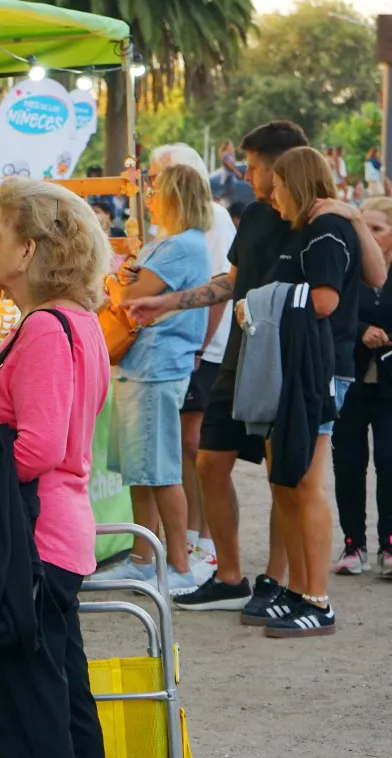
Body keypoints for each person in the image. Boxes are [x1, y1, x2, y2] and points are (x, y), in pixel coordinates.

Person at [128, 123, 388, 622]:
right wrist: (165, 302)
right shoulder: (253, 218)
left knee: (290, 478)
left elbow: (355, 286)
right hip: (250, 357)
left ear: (283, 167)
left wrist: (353, 215)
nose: (245, 175)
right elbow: (233, 282)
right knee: (218, 463)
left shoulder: (326, 221)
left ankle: (292, 587)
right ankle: (236, 578)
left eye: (252, 165)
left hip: (311, 364)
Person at [0, 177, 110, 757]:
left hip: (31, 542)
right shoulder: (74, 322)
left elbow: (38, 448)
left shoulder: (48, 328)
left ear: (29, 249)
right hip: (49, 538)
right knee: (60, 700)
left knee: (31, 715)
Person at [253, 146, 361, 636]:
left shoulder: (325, 231)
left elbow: (323, 301)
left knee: (305, 484)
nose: (272, 197)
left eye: (276, 187)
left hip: (317, 371)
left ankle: (318, 600)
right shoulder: (307, 231)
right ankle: (300, 590)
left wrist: (260, 302)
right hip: (296, 370)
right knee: (287, 482)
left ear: (295, 184)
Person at [98, 164, 211, 593]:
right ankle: (144, 557)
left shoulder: (181, 245)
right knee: (139, 469)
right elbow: (131, 284)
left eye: (156, 190)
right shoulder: (178, 243)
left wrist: (117, 280)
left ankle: (177, 566)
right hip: (144, 367)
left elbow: (129, 293)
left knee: (160, 470)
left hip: (155, 368)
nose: (148, 197)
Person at [150, 143, 238, 581]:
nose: (150, 184)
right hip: (189, 347)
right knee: (186, 446)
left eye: (156, 175)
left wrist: (200, 346)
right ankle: (192, 537)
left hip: (204, 349)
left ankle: (205, 541)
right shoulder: (176, 223)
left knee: (197, 445)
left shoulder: (214, 218)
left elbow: (219, 286)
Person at [333, 196, 392, 577]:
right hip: (350, 381)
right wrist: (360, 331)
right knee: (349, 463)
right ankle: (353, 544)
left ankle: (389, 544)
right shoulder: (345, 269)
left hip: (389, 387)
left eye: (377, 229)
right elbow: (331, 314)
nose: (369, 236)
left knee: (389, 462)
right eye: (363, 228)